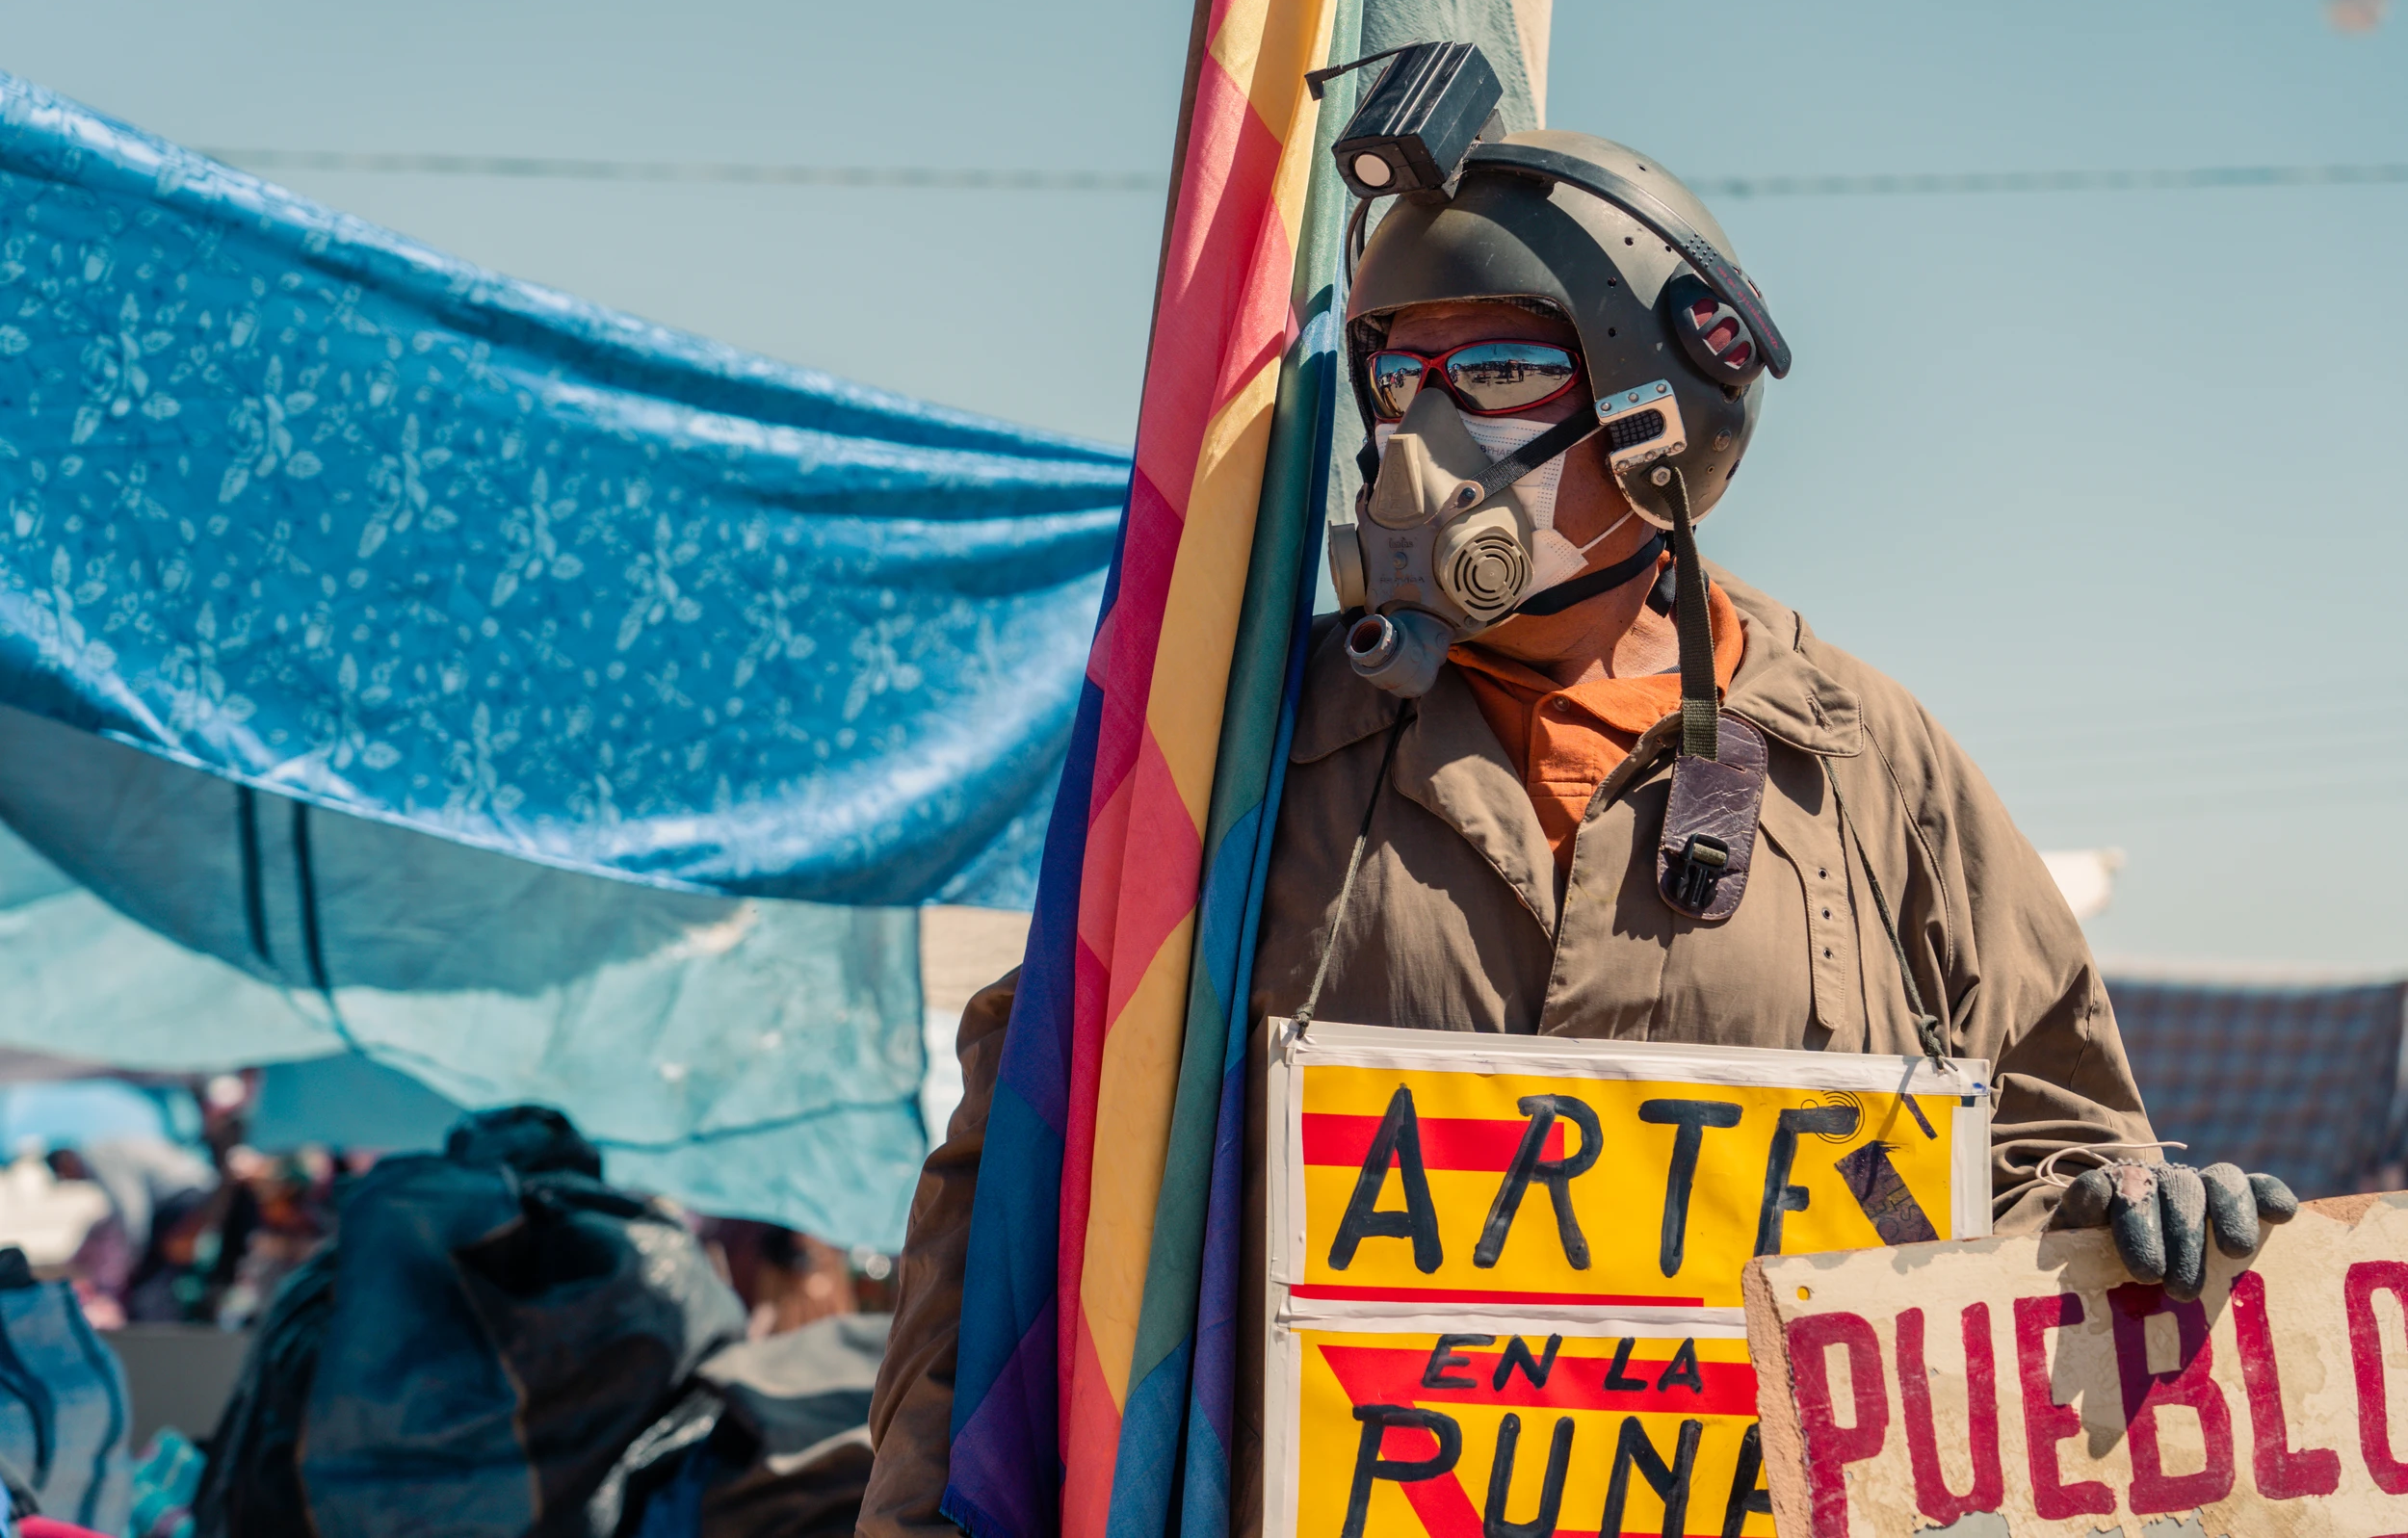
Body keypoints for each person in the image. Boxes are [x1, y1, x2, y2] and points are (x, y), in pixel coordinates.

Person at [861, 126, 2276, 1538]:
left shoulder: (1869, 768)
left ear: (1657, 411)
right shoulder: (1240, 751)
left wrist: (2130, 1222)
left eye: (1495, 375)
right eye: (1399, 378)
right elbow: (1028, 1174)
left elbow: (2048, 1145)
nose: (1423, 437)